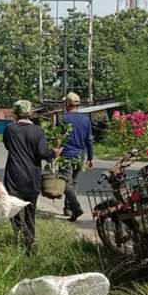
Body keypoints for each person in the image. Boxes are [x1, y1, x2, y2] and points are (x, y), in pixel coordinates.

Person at [3, 100, 61, 254]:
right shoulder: (38, 131)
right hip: (32, 178)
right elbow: (42, 153)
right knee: (30, 212)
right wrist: (54, 153)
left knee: (14, 211)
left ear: (16, 113)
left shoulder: (10, 129)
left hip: (13, 177)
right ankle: (31, 242)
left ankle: (22, 239)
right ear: (30, 113)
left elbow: (7, 146)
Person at [59, 92, 93, 222]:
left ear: (67, 104)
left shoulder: (63, 119)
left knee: (66, 183)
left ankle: (75, 207)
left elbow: (57, 139)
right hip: (80, 155)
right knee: (74, 183)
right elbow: (89, 140)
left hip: (66, 155)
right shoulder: (85, 119)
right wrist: (90, 157)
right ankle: (68, 209)